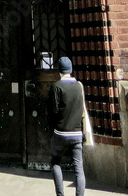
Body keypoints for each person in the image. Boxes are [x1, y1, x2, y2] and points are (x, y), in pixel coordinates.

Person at [47, 56, 89, 196]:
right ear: (70, 70)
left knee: (55, 162)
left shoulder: (56, 86)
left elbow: (53, 111)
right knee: (79, 169)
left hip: (61, 132)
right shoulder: (79, 86)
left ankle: (60, 194)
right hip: (77, 133)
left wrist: (51, 129)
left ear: (59, 70)